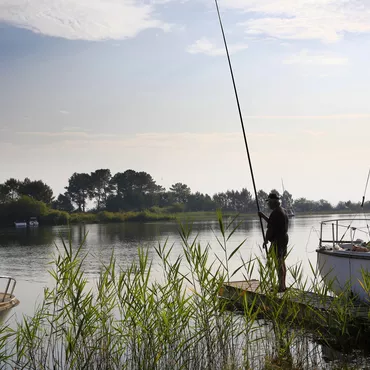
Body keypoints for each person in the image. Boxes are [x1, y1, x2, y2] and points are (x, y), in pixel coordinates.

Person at [258, 192, 289, 292]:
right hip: (283, 238)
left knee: (278, 263)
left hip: (278, 240)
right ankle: (282, 285)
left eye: (269, 202)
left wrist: (266, 240)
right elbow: (272, 223)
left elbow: (270, 228)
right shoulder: (282, 211)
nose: (268, 204)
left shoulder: (276, 212)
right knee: (281, 261)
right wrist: (263, 216)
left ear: (274, 202)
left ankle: (281, 287)